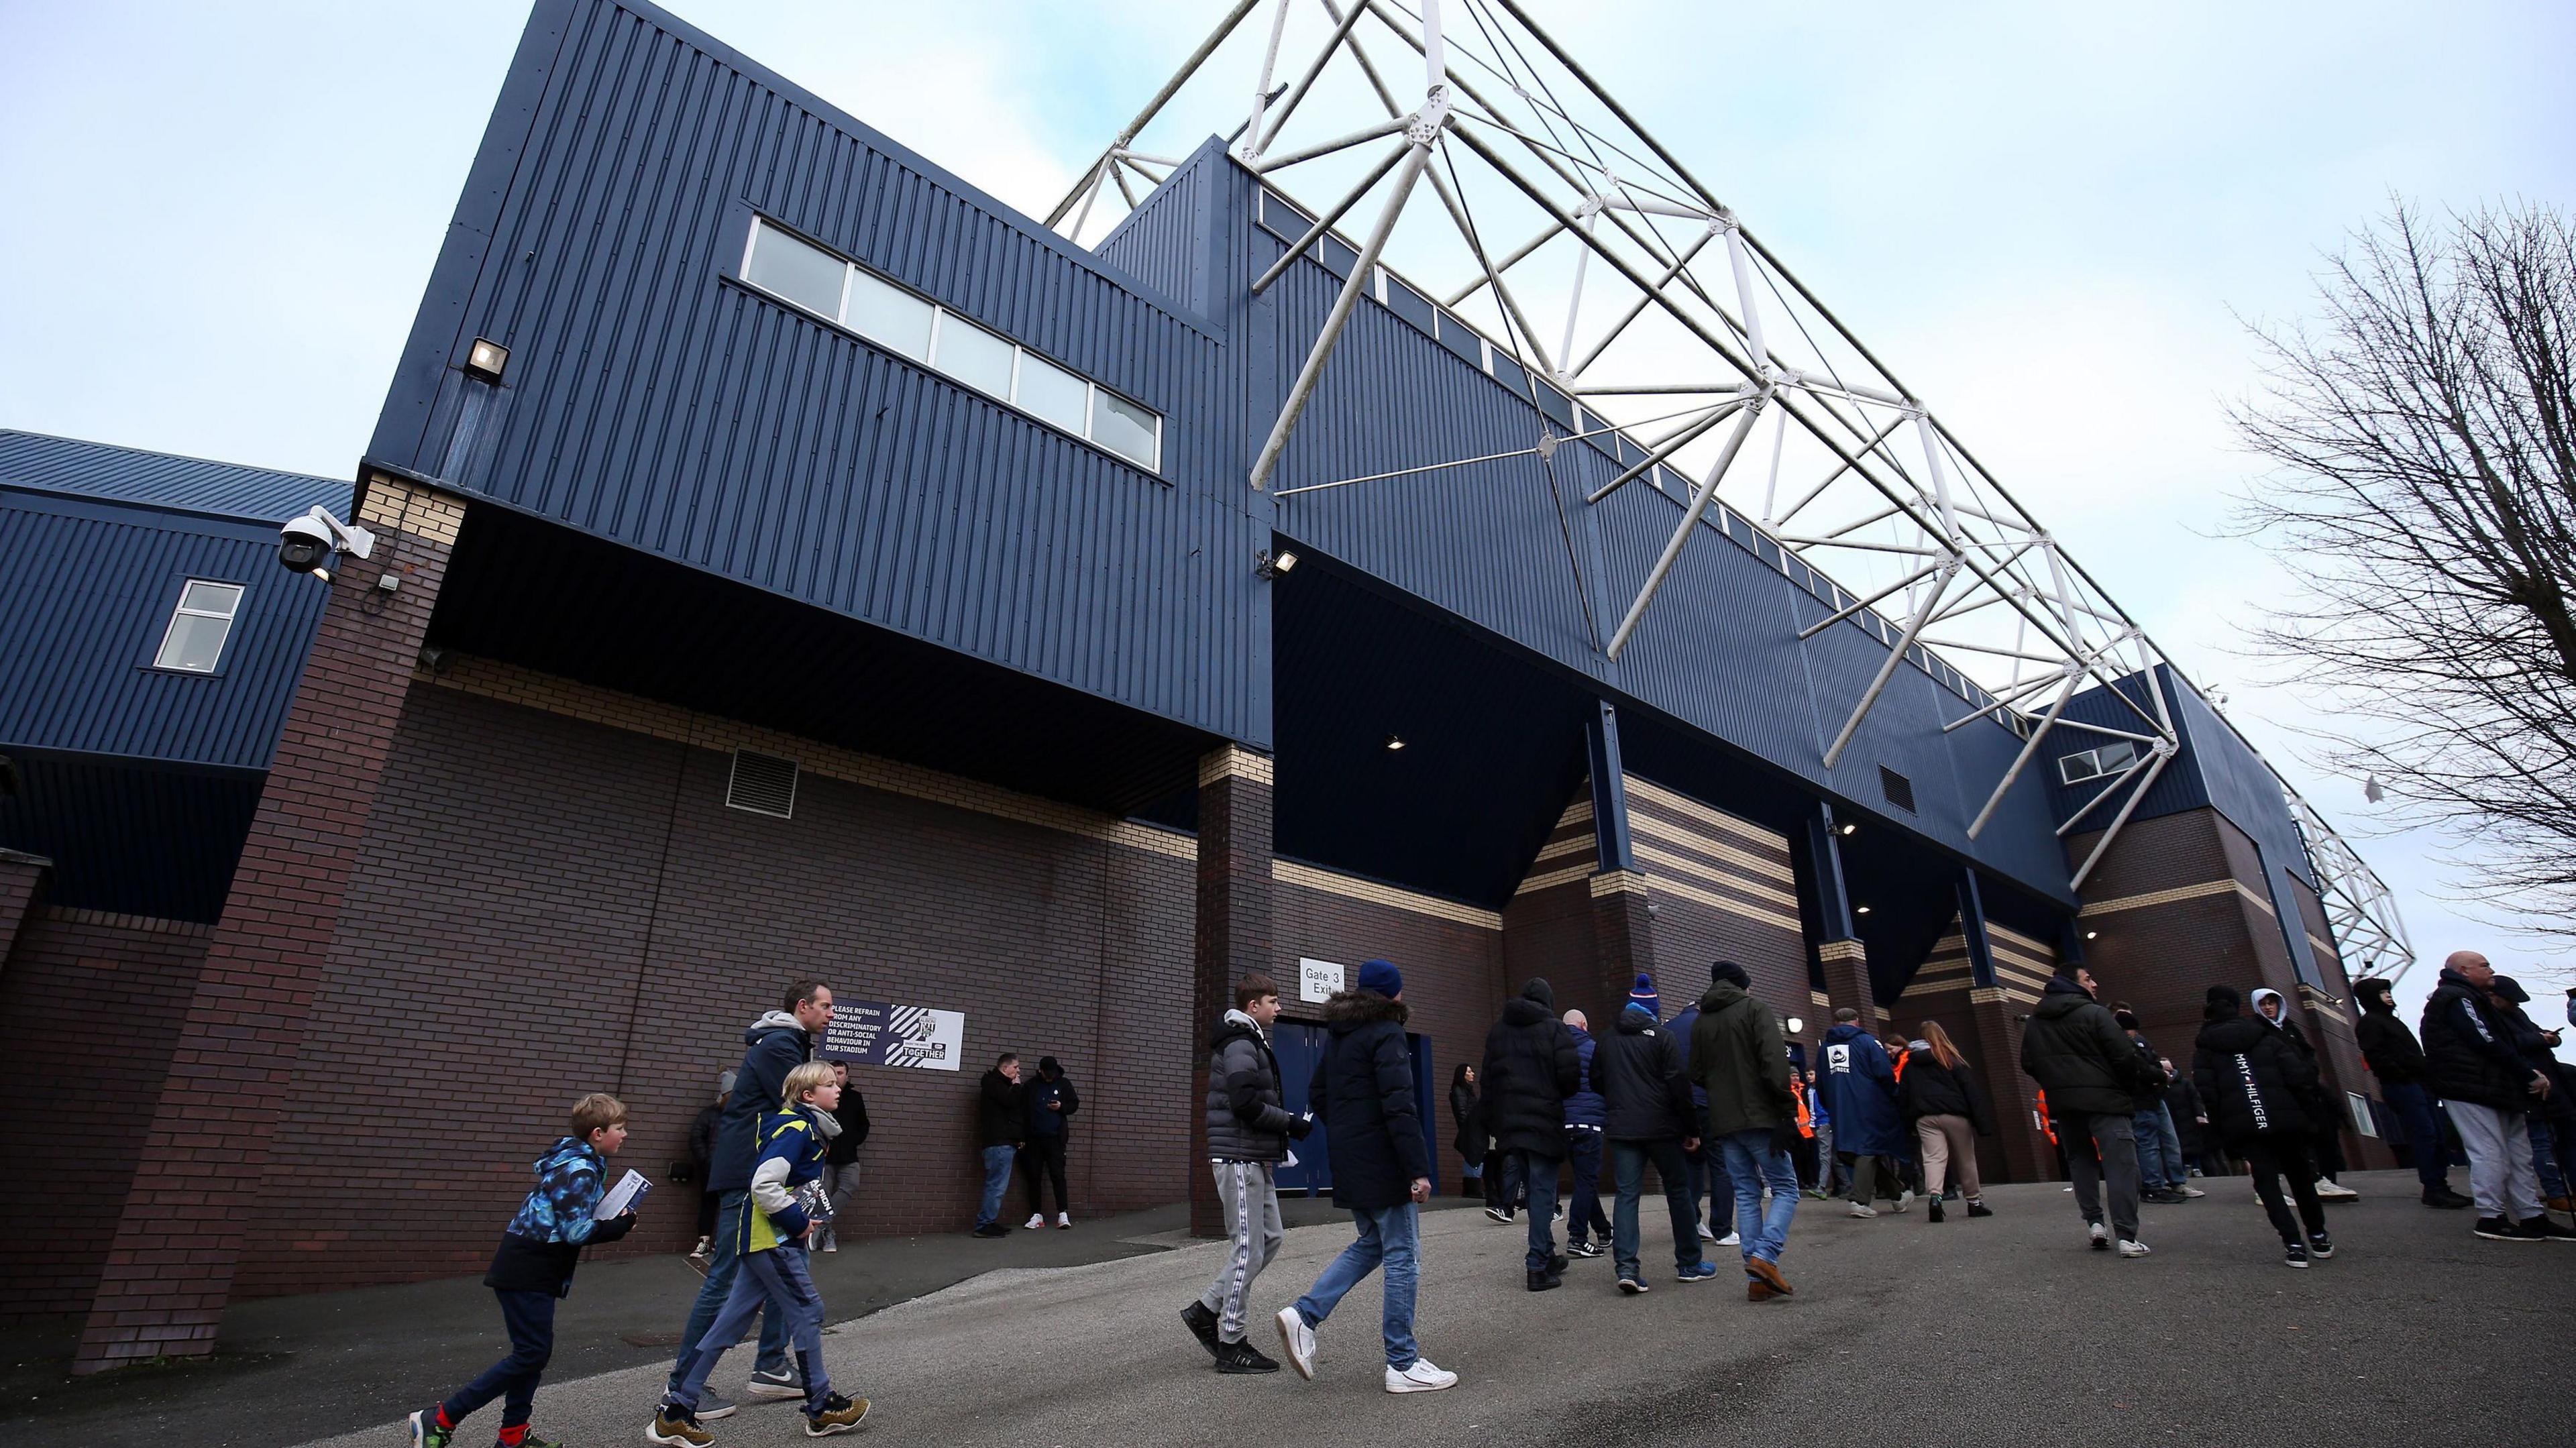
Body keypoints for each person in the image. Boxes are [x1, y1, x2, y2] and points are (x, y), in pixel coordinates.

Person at [650, 1062, 870, 1442]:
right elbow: (764, 1184)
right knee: (807, 1309)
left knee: (730, 1323)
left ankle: (677, 1409)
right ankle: (821, 1406)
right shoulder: (797, 1129)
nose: (838, 1089)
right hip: (773, 1241)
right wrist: (797, 1222)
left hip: (760, 1240)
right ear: (807, 1096)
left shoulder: (795, 1126)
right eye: (829, 1085)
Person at [410, 1094, 639, 1448]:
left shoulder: (580, 1160)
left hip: (533, 1267)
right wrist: (620, 1226)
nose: (624, 1135)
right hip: (530, 1268)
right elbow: (576, 1232)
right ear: (598, 1133)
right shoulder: (579, 1169)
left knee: (531, 1354)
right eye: (620, 1128)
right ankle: (440, 1417)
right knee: (531, 1354)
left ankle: (513, 1437)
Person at [1275, 959, 1456, 1394]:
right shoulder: (1387, 1031)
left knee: (1372, 1244)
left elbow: (1319, 1093)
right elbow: (1399, 1104)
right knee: (1403, 1256)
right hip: (1383, 1160)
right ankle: (1403, 1361)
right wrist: (1418, 1168)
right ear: (1393, 994)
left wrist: (1351, 1128)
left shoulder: (1342, 1034)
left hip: (1352, 1158)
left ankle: (1305, 1315)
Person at [662, 982, 835, 1416]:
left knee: (789, 1264)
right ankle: (682, 1387)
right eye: (826, 1006)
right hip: (753, 1173)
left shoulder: (791, 1042)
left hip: (766, 1170)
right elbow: (796, 1104)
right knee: (724, 1279)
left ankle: (772, 1365)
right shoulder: (782, 1045)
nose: (832, 1013)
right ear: (803, 1006)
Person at [1187, 972, 1311, 1374]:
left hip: (1254, 1158)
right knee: (1247, 1249)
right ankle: (1231, 1342)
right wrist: (1291, 1122)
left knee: (1270, 1239)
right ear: (1253, 1006)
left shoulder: (1251, 1041)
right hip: (1238, 1159)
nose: (1279, 1008)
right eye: (1273, 1001)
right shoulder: (1241, 1042)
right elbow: (1243, 1103)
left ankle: (1206, 1309)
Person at [2019, 965, 2159, 1257]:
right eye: (2088, 979)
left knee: (2080, 1162)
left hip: (2066, 1104)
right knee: (2120, 1164)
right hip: (2106, 1102)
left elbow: (2028, 1062)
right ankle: (2127, 1236)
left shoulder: (2036, 1022)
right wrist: (2119, 1084)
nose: (2094, 984)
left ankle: (2095, 1224)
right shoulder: (2095, 1015)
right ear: (2073, 984)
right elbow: (2123, 1055)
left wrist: (2057, 1083)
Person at [2422, 952, 2563, 1240]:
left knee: (2517, 1153)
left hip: (2494, 1086)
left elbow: (2493, 1041)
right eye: (2484, 966)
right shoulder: (2457, 998)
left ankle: (2531, 1215)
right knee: (2490, 1151)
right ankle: (2491, 1216)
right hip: (2471, 1086)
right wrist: (2528, 1073)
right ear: (2463, 970)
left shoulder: (2470, 999)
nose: (2491, 970)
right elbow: (2484, 1040)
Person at [2192, 986, 2334, 1268]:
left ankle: (2293, 1244)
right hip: (2285, 1118)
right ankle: (2318, 1236)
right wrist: (2309, 1116)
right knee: (2300, 1176)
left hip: (2244, 1124)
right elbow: (2298, 1076)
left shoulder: (2206, 1047)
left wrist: (2223, 1131)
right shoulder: (2264, 1035)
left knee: (2266, 1182)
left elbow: (2209, 1093)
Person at [1690, 960, 1801, 1301]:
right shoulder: (1754, 1010)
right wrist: (1786, 1109)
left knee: (1747, 1192)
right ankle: (1765, 1257)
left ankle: (1757, 1279)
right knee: (1786, 1188)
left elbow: (1696, 1072)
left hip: (1725, 1123)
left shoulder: (1702, 1021)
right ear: (1742, 985)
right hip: (1761, 1116)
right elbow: (1774, 1063)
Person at [1587, 987, 1707, 1293]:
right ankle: (1690, 1264)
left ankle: (1627, 1267)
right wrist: (1691, 1129)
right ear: (1653, 1010)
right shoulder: (1663, 1037)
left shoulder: (1606, 1040)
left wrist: (1620, 1101)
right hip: (1663, 1128)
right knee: (1678, 1192)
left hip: (1622, 1127)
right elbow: (1679, 1087)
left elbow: (1596, 1081)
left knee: (1627, 1194)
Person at [1481, 977, 1581, 1290]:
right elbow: (1570, 1080)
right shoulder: (1554, 1029)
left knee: (1533, 1189)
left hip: (1511, 1126)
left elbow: (1487, 1082)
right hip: (1543, 1123)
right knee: (1542, 1194)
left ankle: (1547, 1255)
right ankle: (1537, 1265)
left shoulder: (1498, 1032)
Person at [2353, 977, 2471, 1207]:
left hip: (2418, 1084)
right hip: (2403, 1085)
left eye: (2388, 991)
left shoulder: (2391, 1021)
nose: (2388, 995)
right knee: (2424, 1135)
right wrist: (2402, 1075)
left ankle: (2440, 1184)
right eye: (2382, 992)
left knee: (2435, 1134)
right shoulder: (2371, 1023)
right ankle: (2433, 1187)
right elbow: (2376, 1055)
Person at [2249, 989, 2358, 1201]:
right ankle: (2310, 1181)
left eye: (2272, 1003)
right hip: (2283, 1094)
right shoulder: (2257, 1031)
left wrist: (2309, 1072)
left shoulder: (2289, 1027)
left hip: (2307, 1090)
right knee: (2296, 1140)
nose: (2268, 1007)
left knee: (2320, 1134)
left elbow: (2307, 1053)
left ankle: (2323, 1180)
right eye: (2263, 1004)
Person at [2489, 976, 2576, 1213]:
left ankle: (2568, 1191)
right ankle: (2557, 1194)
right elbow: (2502, 1045)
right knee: (2542, 1143)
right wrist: (2540, 1039)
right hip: (2528, 1085)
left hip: (2551, 1081)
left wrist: (2549, 1037)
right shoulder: (2489, 1018)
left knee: (2567, 1140)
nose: (2516, 1005)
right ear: (2494, 997)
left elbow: (2532, 1035)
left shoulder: (2516, 1014)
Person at [1897, 1021, 1994, 1222]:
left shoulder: (1910, 1065)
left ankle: (1935, 1197)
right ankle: (1974, 1202)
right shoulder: (1950, 1059)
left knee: (1933, 1158)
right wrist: (1982, 1122)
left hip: (1924, 1117)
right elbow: (1970, 1091)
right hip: (1955, 1114)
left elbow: (1903, 1096)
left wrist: (1908, 1124)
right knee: (1966, 1158)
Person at [1666, 967, 1737, 1241]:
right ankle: (1722, 1228)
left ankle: (1692, 1220)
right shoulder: (1711, 1025)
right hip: (1709, 1104)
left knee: (1690, 1165)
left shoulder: (1668, 1028)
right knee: (1721, 1166)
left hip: (1679, 1108)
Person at [1817, 1008, 1907, 1218]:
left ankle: (1898, 1195)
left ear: (1836, 1022)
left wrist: (1830, 1104)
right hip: (1868, 1104)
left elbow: (1820, 1082)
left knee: (1852, 1151)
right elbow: (1884, 1073)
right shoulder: (1868, 1042)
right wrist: (1894, 1097)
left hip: (1839, 1107)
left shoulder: (1824, 1048)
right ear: (1856, 1022)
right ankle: (1860, 1200)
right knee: (1867, 1148)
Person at [2114, 1011, 2188, 1205]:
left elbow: (2148, 1064)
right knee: (2149, 1144)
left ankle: (2162, 1183)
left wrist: (2156, 1072)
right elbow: (2141, 1069)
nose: (2134, 1034)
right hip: (2141, 1100)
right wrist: (2160, 1074)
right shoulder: (2123, 1046)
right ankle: (2154, 1186)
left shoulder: (2133, 1044)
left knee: (2157, 1142)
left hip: (2149, 1098)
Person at [1560, 1009, 1614, 1257]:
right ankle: (1578, 1237)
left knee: (1585, 1180)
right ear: (1583, 1024)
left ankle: (1603, 1230)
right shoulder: (1595, 1048)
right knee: (1586, 1181)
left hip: (1564, 1125)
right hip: (1589, 1124)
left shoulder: (1555, 1051)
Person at [1020, 1056, 1081, 1229]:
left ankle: (1063, 1213)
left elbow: (1074, 1104)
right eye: (1047, 1074)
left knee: (1058, 1175)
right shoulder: (1031, 1086)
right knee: (1033, 1176)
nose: (1050, 1077)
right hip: (1034, 1139)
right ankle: (1036, 1215)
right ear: (1040, 1071)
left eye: (1052, 1074)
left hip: (1055, 1138)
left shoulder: (1063, 1084)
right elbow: (1022, 1110)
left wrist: (1061, 1107)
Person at [818, 1061, 868, 1251]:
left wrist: (854, 1140)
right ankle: (828, 1234)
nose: (837, 1077)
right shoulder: (822, 1096)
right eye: (833, 1073)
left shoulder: (855, 1098)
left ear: (847, 1076)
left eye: (840, 1073)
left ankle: (821, 1223)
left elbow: (864, 1124)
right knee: (823, 1194)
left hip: (848, 1155)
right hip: (825, 1156)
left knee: (851, 1184)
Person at [973, 1052, 1024, 1238]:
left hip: (1000, 1142)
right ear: (1005, 1068)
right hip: (999, 1143)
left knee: (996, 1185)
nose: (1019, 1071)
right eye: (1016, 1067)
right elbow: (1011, 1103)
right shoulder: (996, 1086)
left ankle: (989, 1221)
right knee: (996, 1186)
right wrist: (1017, 1087)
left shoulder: (995, 1085)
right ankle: (984, 1224)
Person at [687, 1074, 730, 1260]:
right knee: (709, 1205)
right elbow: (696, 1139)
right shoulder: (709, 1114)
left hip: (730, 1169)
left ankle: (721, 1243)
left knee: (728, 1207)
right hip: (711, 1169)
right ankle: (704, 1242)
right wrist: (706, 1160)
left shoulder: (739, 1115)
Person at [2162, 1064, 2210, 1180]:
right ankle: (2185, 1168)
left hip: (2188, 1119)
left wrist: (2199, 1114)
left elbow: (2195, 1099)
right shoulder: (2164, 1086)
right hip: (2174, 1120)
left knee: (2192, 1144)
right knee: (2178, 1145)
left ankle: (2196, 1167)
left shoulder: (2185, 1083)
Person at [1448, 1064, 1485, 1199]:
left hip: (1472, 1128)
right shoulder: (1459, 1090)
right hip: (1470, 1129)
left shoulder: (1466, 1090)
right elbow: (1462, 1112)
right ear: (1463, 1075)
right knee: (1474, 1155)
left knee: (1475, 1155)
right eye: (1469, 1072)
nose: (1473, 1074)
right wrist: (1470, 1128)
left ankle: (1473, 1187)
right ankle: (1473, 1188)